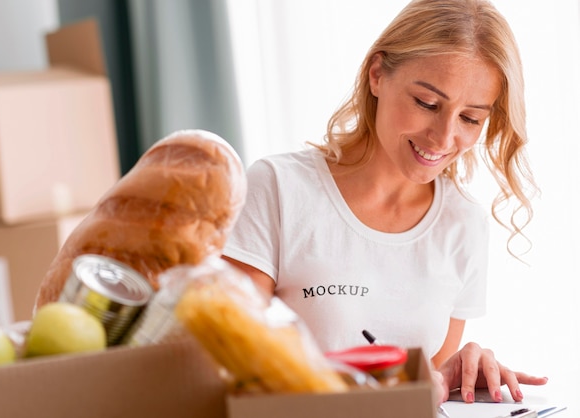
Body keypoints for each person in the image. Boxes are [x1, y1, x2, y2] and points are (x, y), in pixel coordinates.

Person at [222, 0, 548, 406]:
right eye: (428, 104)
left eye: (470, 119)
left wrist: (452, 375)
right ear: (377, 75)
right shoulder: (278, 188)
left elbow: (424, 395)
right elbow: (229, 361)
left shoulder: (464, 224)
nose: (444, 138)